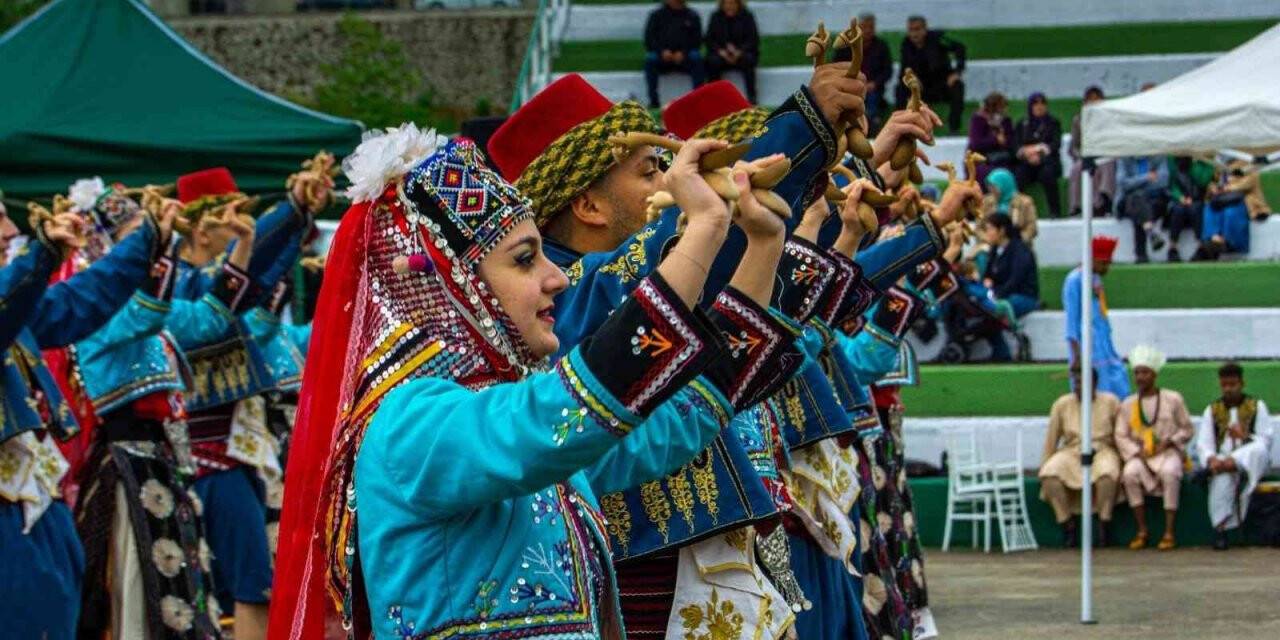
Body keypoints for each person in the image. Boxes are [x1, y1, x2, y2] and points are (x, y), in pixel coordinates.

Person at [272, 127, 747, 638]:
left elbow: (669, 429)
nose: (557, 278)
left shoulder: (501, 411)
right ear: (450, 287)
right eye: (524, 259)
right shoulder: (408, 424)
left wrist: (766, 245)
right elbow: (554, 417)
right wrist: (702, 230)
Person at [1, 192, 168, 639]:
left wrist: (146, 242)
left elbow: (76, 302)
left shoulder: (17, 305)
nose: (11, 231)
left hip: (33, 507)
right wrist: (41, 255)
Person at [1115, 345, 1195, 551]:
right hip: (1141, 455)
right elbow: (1120, 435)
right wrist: (1136, 452)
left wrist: (1170, 441)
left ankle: (1169, 532)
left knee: (1170, 472)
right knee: (1129, 473)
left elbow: (1187, 429)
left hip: (1168, 452)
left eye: (1145, 372)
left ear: (1154, 375)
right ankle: (1142, 530)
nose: (1140, 377)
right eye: (1137, 373)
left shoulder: (1173, 398)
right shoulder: (1128, 404)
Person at [1039, 364, 1122, 547]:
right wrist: (1044, 462)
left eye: (1082, 382)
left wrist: (1124, 461)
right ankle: (1067, 523)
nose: (1078, 386)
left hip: (1103, 450)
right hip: (1072, 451)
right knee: (1049, 473)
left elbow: (1120, 435)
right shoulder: (1062, 404)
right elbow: (1052, 437)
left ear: (1094, 383)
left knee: (1107, 474)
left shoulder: (1111, 401)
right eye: (1075, 382)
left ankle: (1104, 523)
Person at [1195, 362, 1274, 551]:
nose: (1228, 389)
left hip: (1253, 461)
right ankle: (1220, 530)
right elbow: (1204, 443)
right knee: (1222, 478)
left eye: (1233, 384)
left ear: (1242, 384)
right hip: (1222, 460)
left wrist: (1244, 437)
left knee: (1257, 448)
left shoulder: (1256, 406)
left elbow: (1265, 440)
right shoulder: (1212, 409)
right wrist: (1211, 459)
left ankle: (1225, 465)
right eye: (1225, 385)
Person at [1063, 236, 1129, 399]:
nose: (1107, 268)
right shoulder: (1074, 281)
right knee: (1095, 395)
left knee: (1120, 388)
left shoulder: (1096, 278)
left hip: (1104, 346)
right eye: (1104, 263)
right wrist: (1076, 356)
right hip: (1086, 348)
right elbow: (1071, 323)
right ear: (1092, 260)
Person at [978, 212, 1038, 361]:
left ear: (1002, 230)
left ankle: (1009, 347)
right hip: (1001, 294)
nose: (987, 233)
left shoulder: (1020, 250)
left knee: (997, 309)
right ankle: (1001, 350)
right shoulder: (994, 251)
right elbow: (988, 275)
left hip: (1023, 295)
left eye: (990, 229)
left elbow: (1016, 279)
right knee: (982, 311)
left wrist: (997, 293)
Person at [896, 15, 966, 133]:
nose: (914, 34)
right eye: (911, 30)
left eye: (917, 29)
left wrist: (957, 72)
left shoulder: (937, 39)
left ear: (925, 29)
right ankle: (902, 128)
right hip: (921, 86)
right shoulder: (906, 44)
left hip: (941, 83)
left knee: (958, 86)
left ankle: (954, 128)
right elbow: (904, 69)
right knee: (900, 89)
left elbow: (960, 48)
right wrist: (911, 78)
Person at [833, 12, 893, 131]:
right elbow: (836, 68)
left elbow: (887, 71)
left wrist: (875, 83)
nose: (868, 30)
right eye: (864, 27)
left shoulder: (881, 46)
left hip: (872, 88)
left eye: (871, 27)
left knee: (872, 98)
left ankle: (871, 122)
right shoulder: (845, 47)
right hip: (850, 86)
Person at [643, 0, 705, 108]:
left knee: (696, 58)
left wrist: (683, 52)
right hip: (662, 56)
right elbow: (649, 38)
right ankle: (654, 101)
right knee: (651, 59)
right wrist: (662, 51)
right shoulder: (656, 15)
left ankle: (698, 100)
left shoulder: (692, 15)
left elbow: (697, 40)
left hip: (685, 56)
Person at [1012, 92, 1063, 219]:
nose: (1039, 107)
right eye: (1035, 104)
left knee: (1048, 174)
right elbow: (1015, 145)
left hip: (1047, 161)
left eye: (1042, 103)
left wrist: (1037, 151)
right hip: (1026, 162)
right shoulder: (1022, 124)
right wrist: (1026, 154)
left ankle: (1055, 211)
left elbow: (1055, 144)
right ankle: (1017, 213)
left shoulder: (1053, 123)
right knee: (1019, 175)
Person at [1067, 86, 1116, 217]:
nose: (1094, 102)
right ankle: (1076, 207)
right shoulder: (1078, 120)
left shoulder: (1110, 119)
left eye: (1097, 99)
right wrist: (1081, 156)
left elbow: (1114, 141)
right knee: (1077, 169)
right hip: (1086, 155)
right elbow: (1073, 147)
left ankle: (1105, 201)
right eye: (1090, 99)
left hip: (1105, 154)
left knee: (1106, 164)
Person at [1114, 154, 1169, 263]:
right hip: (1128, 201)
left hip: (1154, 200)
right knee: (1137, 200)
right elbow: (1122, 183)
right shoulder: (1124, 159)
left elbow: (1163, 181)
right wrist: (1147, 177)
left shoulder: (1159, 157)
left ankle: (1141, 253)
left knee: (1139, 208)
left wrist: (1135, 184)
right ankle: (1150, 234)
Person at [703, 0, 760, 103]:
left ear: (738, 4)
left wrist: (740, 51)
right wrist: (721, 51)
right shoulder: (716, 17)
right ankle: (714, 98)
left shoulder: (747, 16)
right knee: (713, 62)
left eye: (732, 3)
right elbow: (709, 39)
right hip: (721, 54)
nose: (729, 6)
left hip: (741, 53)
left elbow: (753, 39)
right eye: (726, 3)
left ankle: (752, 98)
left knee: (748, 60)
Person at [1201, 160, 1259, 258]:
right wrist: (1213, 188)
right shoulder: (1219, 167)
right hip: (1222, 200)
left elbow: (1249, 182)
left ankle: (1230, 242)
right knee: (1209, 208)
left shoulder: (1246, 165)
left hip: (1242, 200)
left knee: (1230, 212)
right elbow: (1213, 182)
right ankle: (1213, 238)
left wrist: (1227, 188)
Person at [1165, 156, 1214, 262]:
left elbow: (1202, 181)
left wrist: (1194, 163)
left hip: (1199, 198)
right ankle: (1172, 247)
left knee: (1195, 209)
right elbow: (1172, 184)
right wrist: (1180, 197)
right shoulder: (1174, 160)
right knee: (1177, 210)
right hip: (1181, 199)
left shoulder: (1207, 162)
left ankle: (1201, 247)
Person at [967, 92, 1015, 188]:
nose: (1005, 110)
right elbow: (975, 144)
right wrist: (996, 140)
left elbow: (1011, 140)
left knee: (1014, 171)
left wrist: (1005, 142)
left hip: (1002, 158)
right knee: (991, 175)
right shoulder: (979, 119)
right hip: (982, 160)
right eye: (1002, 107)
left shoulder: (1006, 120)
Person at [982, 167, 1038, 247]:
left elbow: (1032, 228)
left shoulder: (1025, 203)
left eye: (994, 187)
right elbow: (979, 228)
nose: (991, 190)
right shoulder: (986, 202)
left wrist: (1016, 241)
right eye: (989, 187)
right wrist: (989, 239)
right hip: (991, 245)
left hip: (1019, 245)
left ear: (1004, 185)